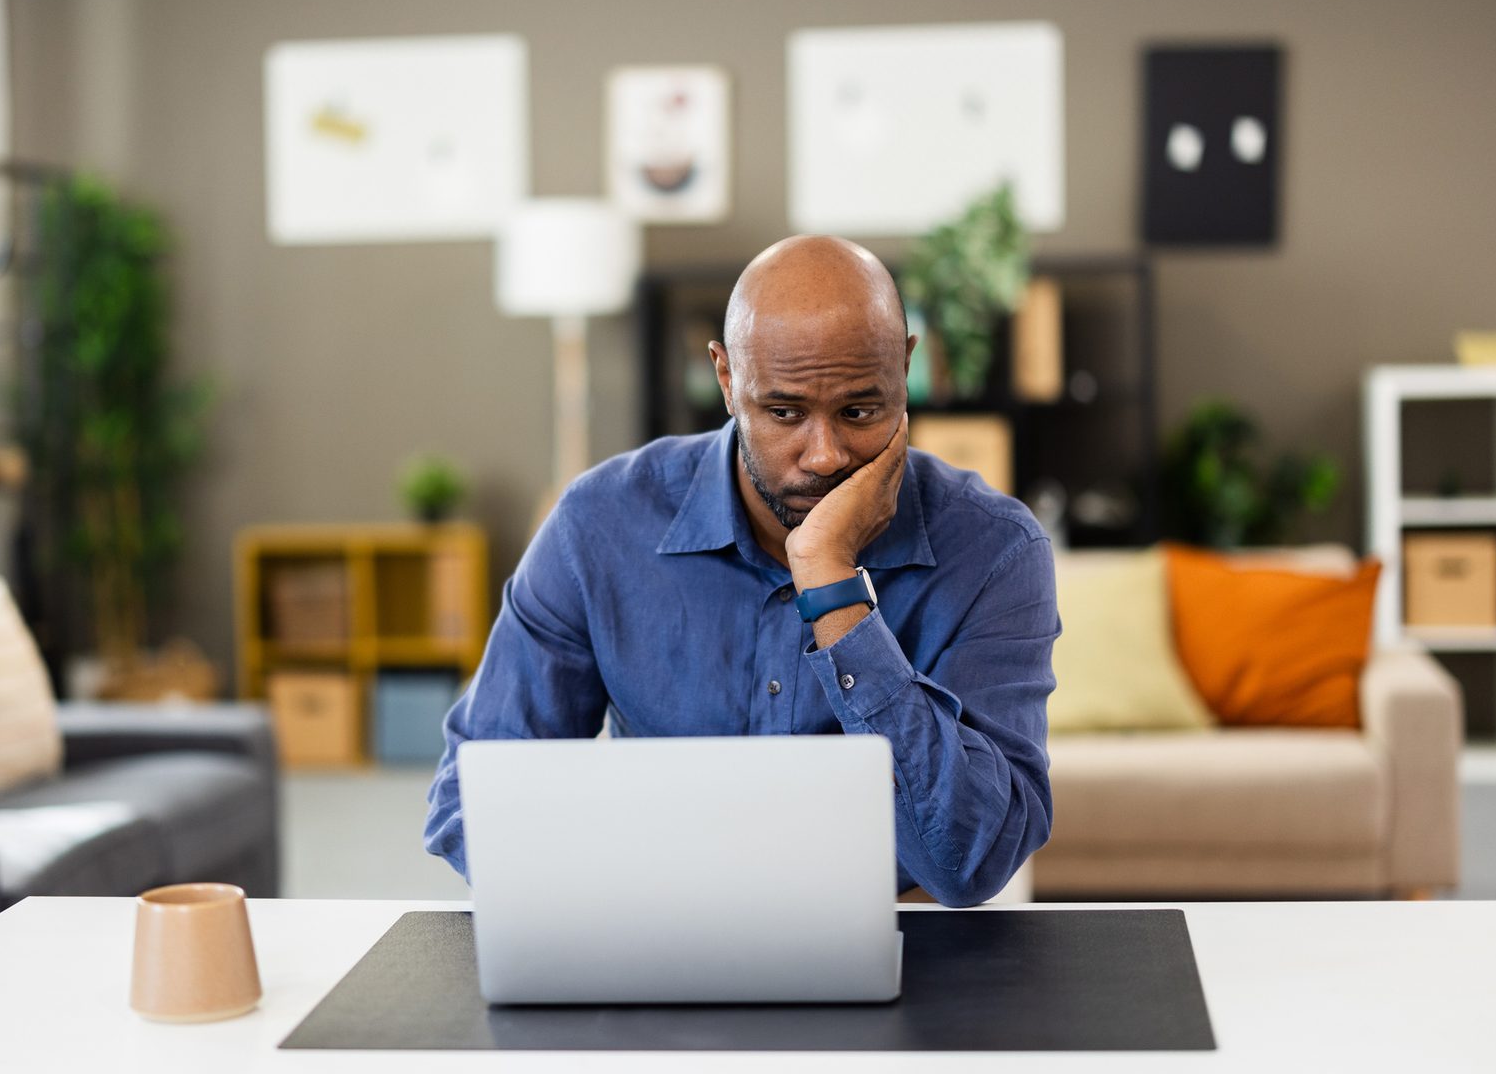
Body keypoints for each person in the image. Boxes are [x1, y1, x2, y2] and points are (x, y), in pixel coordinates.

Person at [424, 235, 1059, 906]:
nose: (824, 456)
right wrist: (620, 896)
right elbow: (470, 795)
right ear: (727, 381)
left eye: (860, 411)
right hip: (653, 932)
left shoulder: (995, 550)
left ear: (905, 366)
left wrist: (832, 584)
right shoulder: (598, 527)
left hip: (907, 947)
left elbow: (972, 861)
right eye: (784, 413)